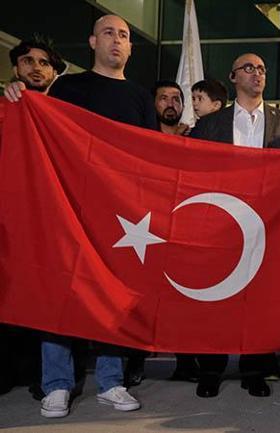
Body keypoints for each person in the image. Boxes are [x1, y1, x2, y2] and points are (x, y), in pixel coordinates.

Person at [4, 14, 156, 418]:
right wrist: (16, 94)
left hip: (123, 216)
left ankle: (111, 381)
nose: (117, 40)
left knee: (113, 295)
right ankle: (57, 384)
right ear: (92, 41)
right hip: (69, 206)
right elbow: (35, 129)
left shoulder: (141, 97)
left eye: (124, 35)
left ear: (130, 46)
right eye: (108, 33)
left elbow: (154, 159)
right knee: (61, 291)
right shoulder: (66, 87)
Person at [190, 52, 280, 399]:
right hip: (221, 220)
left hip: (269, 222)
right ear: (234, 76)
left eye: (262, 69)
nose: (258, 73)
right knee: (217, 298)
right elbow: (194, 171)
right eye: (249, 68)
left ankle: (255, 369)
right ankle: (210, 370)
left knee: (260, 297)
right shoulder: (210, 124)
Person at [0, 37, 67, 400]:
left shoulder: (69, 115)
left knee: (48, 298)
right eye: (28, 61)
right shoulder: (6, 108)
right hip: (12, 220)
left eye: (44, 62)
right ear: (16, 69)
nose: (36, 67)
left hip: (56, 221)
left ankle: (45, 376)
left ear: (54, 71)